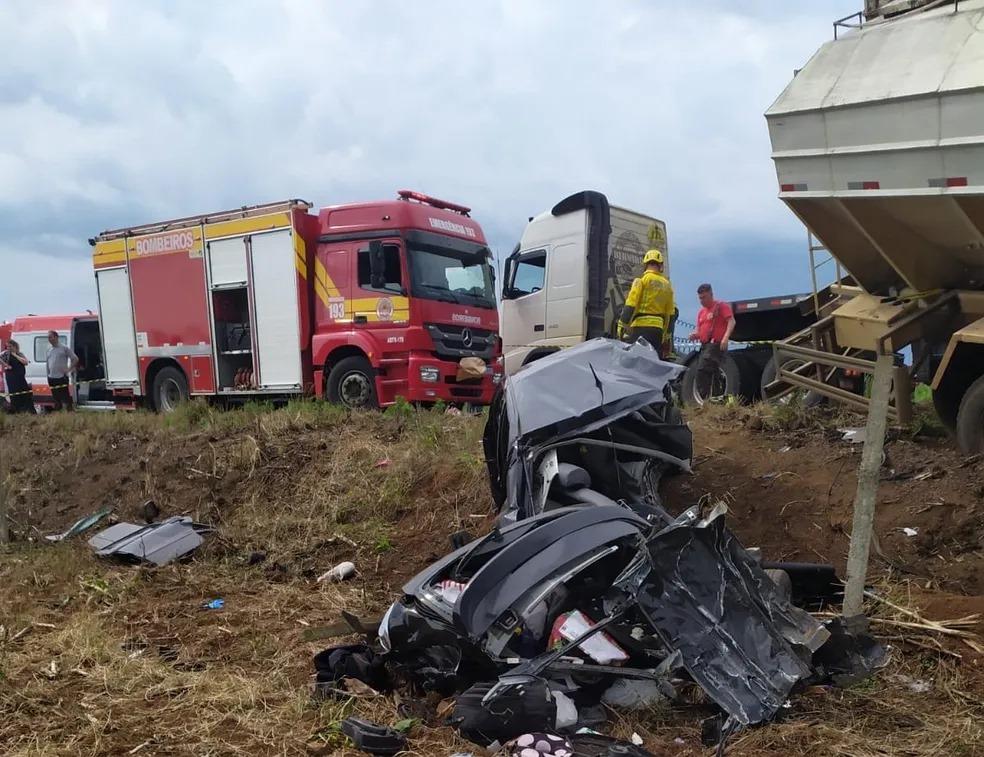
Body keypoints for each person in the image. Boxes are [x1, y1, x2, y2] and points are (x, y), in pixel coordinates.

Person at [617, 249, 675, 358]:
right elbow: (670, 314)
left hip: (641, 328)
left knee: (634, 362)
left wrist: (622, 325)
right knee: (653, 364)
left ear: (645, 265)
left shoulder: (641, 281)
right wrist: (666, 336)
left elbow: (631, 304)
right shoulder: (668, 286)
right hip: (657, 331)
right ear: (660, 265)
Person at [689, 283, 736, 401]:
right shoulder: (701, 313)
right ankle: (715, 399)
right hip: (704, 345)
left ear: (711, 294)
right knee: (712, 374)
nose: (702, 301)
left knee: (702, 370)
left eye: (704, 297)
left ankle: (705, 398)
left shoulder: (721, 306)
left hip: (716, 345)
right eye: (700, 298)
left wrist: (725, 338)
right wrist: (695, 335)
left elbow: (731, 322)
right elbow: (700, 330)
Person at [45, 330, 78, 412]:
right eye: (48, 338)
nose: (49, 339)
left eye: (50, 337)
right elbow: (48, 362)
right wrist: (48, 374)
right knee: (56, 398)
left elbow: (75, 359)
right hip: (51, 377)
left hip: (61, 377)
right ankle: (58, 413)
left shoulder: (64, 348)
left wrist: (69, 369)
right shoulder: (49, 350)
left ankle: (69, 412)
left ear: (56, 337)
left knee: (65, 397)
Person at [1, 339, 34, 413]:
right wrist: (5, 364)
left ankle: (27, 411)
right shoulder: (5, 355)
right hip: (11, 379)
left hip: (20, 378)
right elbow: (3, 362)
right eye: (7, 347)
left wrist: (15, 355)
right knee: (14, 396)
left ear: (15, 346)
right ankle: (16, 410)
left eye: (10, 346)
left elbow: (25, 362)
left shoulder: (20, 354)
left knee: (24, 394)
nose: (9, 348)